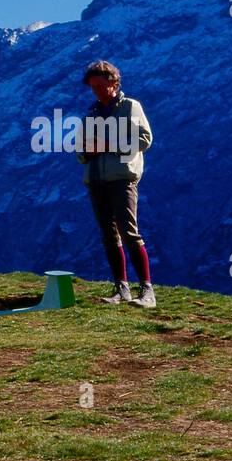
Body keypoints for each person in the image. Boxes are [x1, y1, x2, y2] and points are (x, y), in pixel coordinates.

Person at [77, 61, 155, 308]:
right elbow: (79, 149)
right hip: (96, 180)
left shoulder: (131, 107)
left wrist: (106, 145)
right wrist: (86, 152)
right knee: (109, 236)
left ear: (113, 83)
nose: (97, 91)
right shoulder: (91, 113)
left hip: (122, 179)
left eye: (101, 85)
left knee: (129, 232)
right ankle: (121, 288)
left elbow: (144, 139)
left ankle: (146, 290)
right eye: (93, 87)